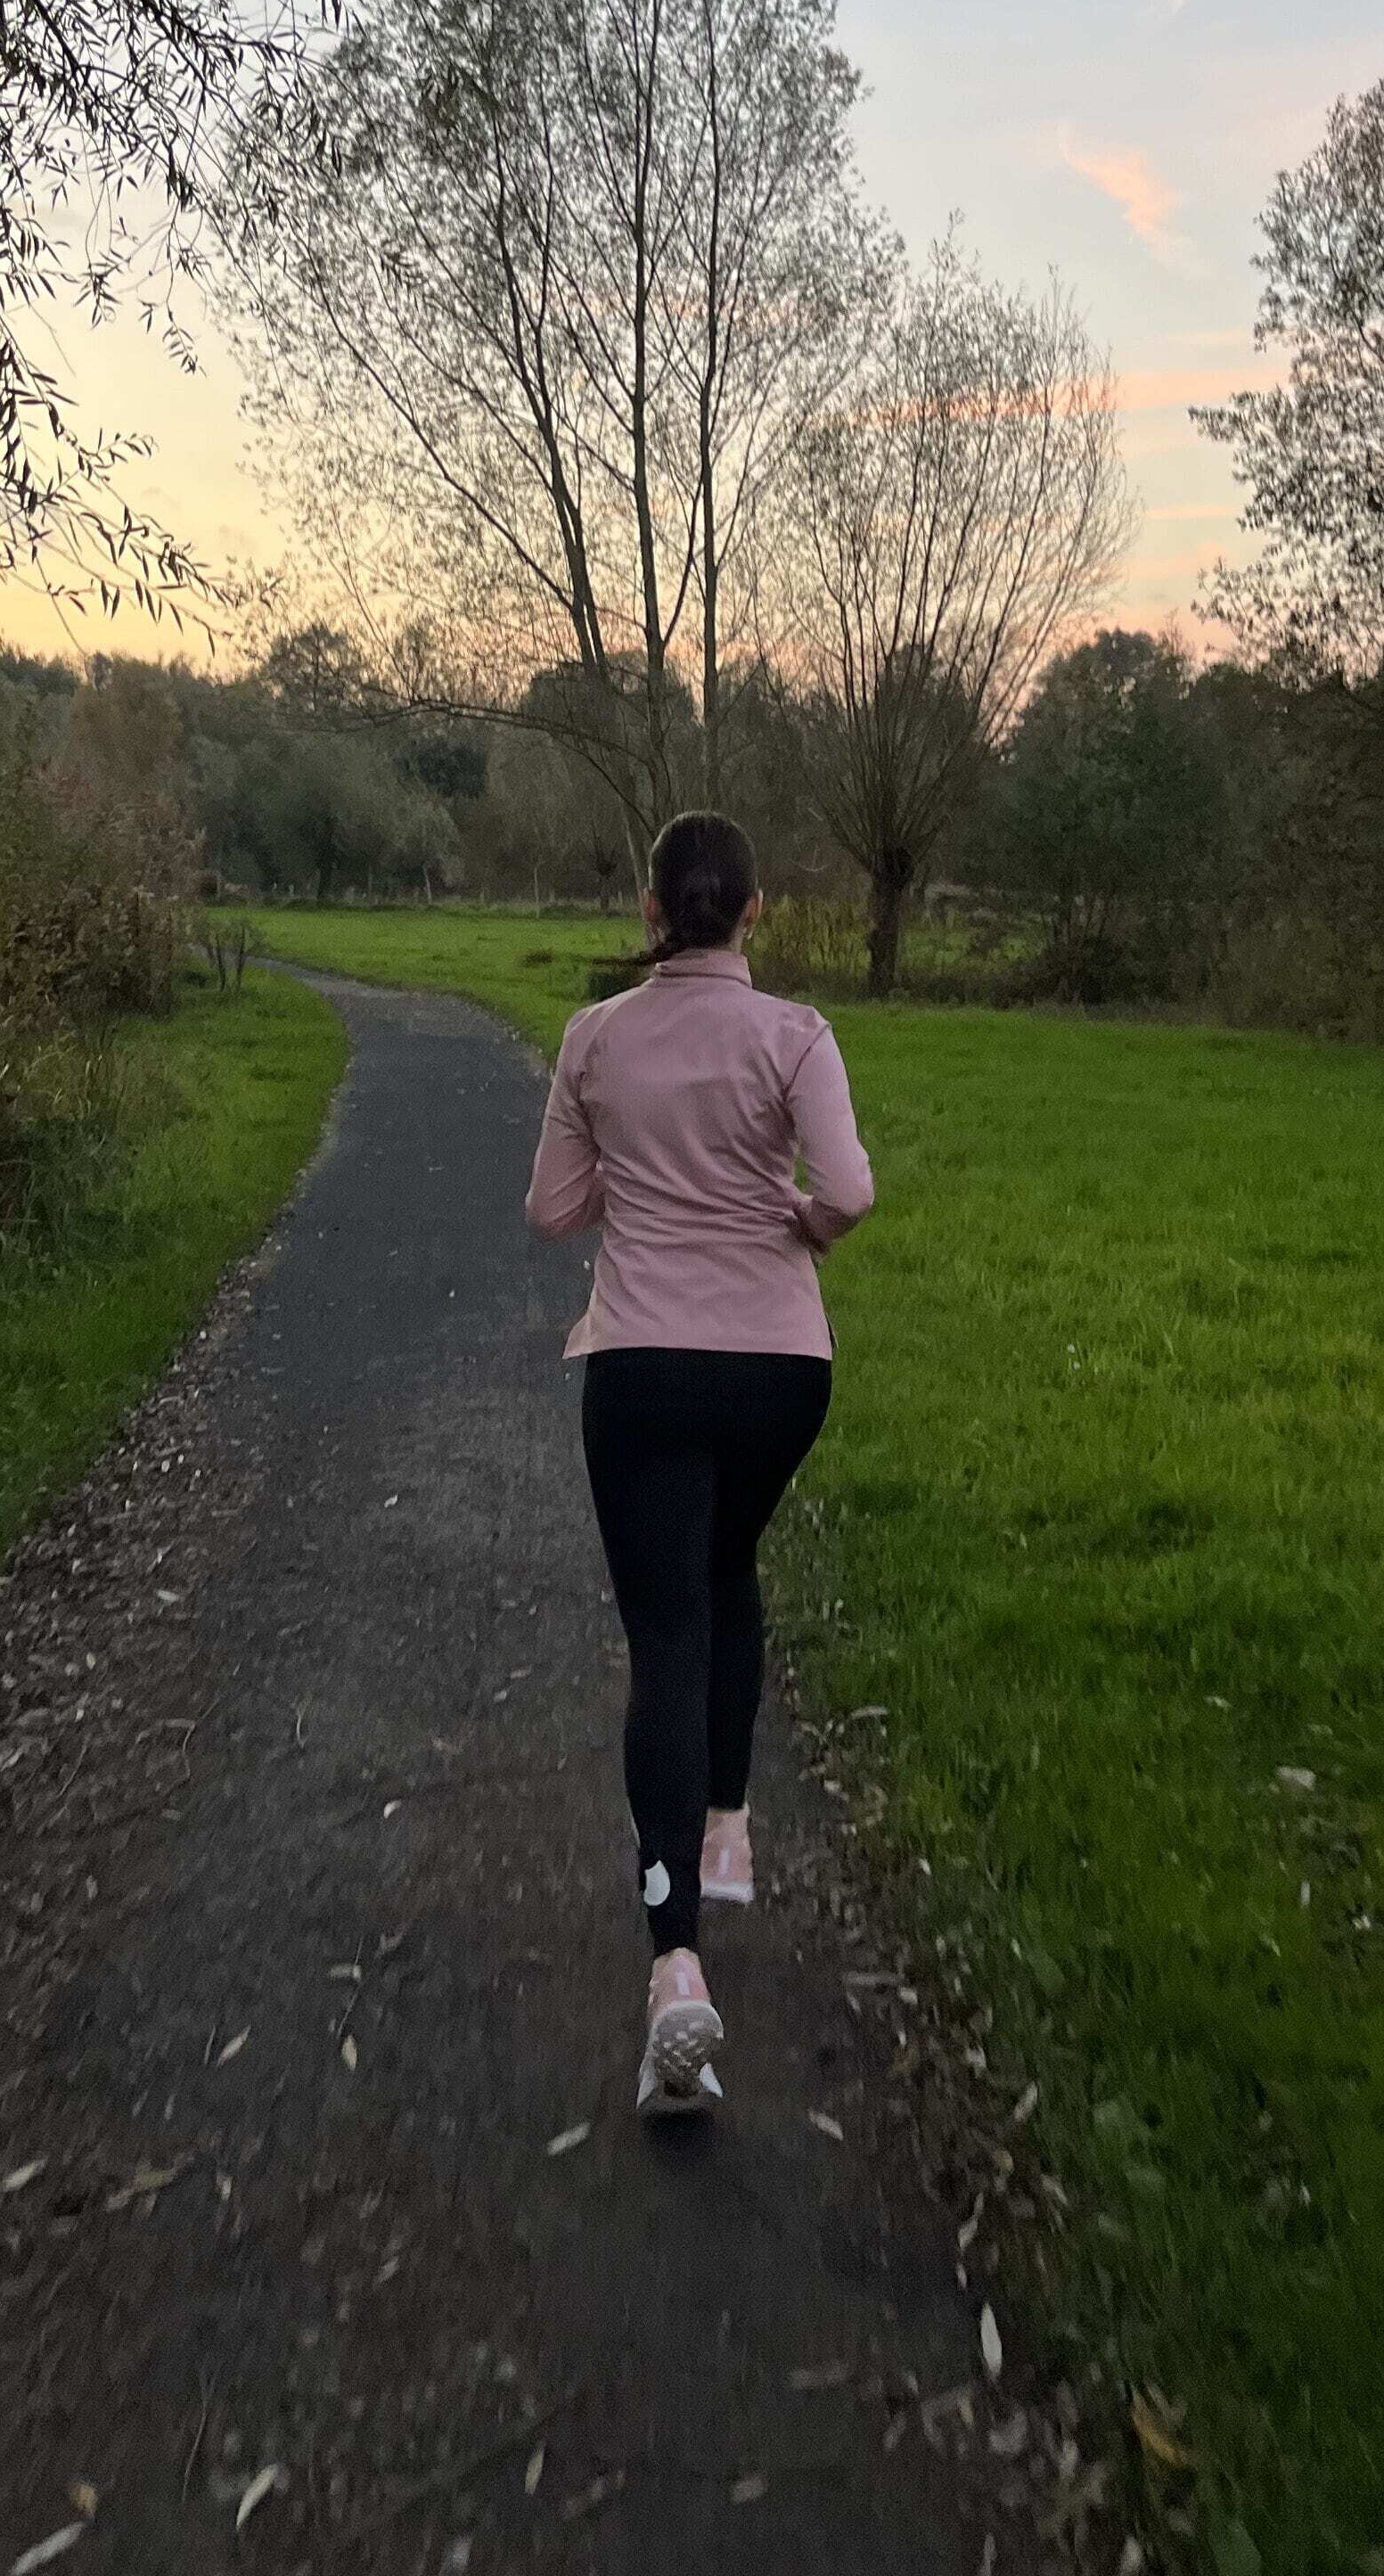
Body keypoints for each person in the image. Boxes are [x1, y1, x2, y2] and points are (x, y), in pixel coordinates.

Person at [524, 810, 876, 2122]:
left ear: (652, 906)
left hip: (646, 1365)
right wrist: (785, 1214)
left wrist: (642, 1170)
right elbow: (846, 1190)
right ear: (757, 910)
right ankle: (728, 1824)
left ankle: (676, 1968)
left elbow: (553, 1211)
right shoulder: (798, 1037)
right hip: (783, 1367)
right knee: (731, 1567)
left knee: (667, 1631)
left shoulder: (595, 1038)